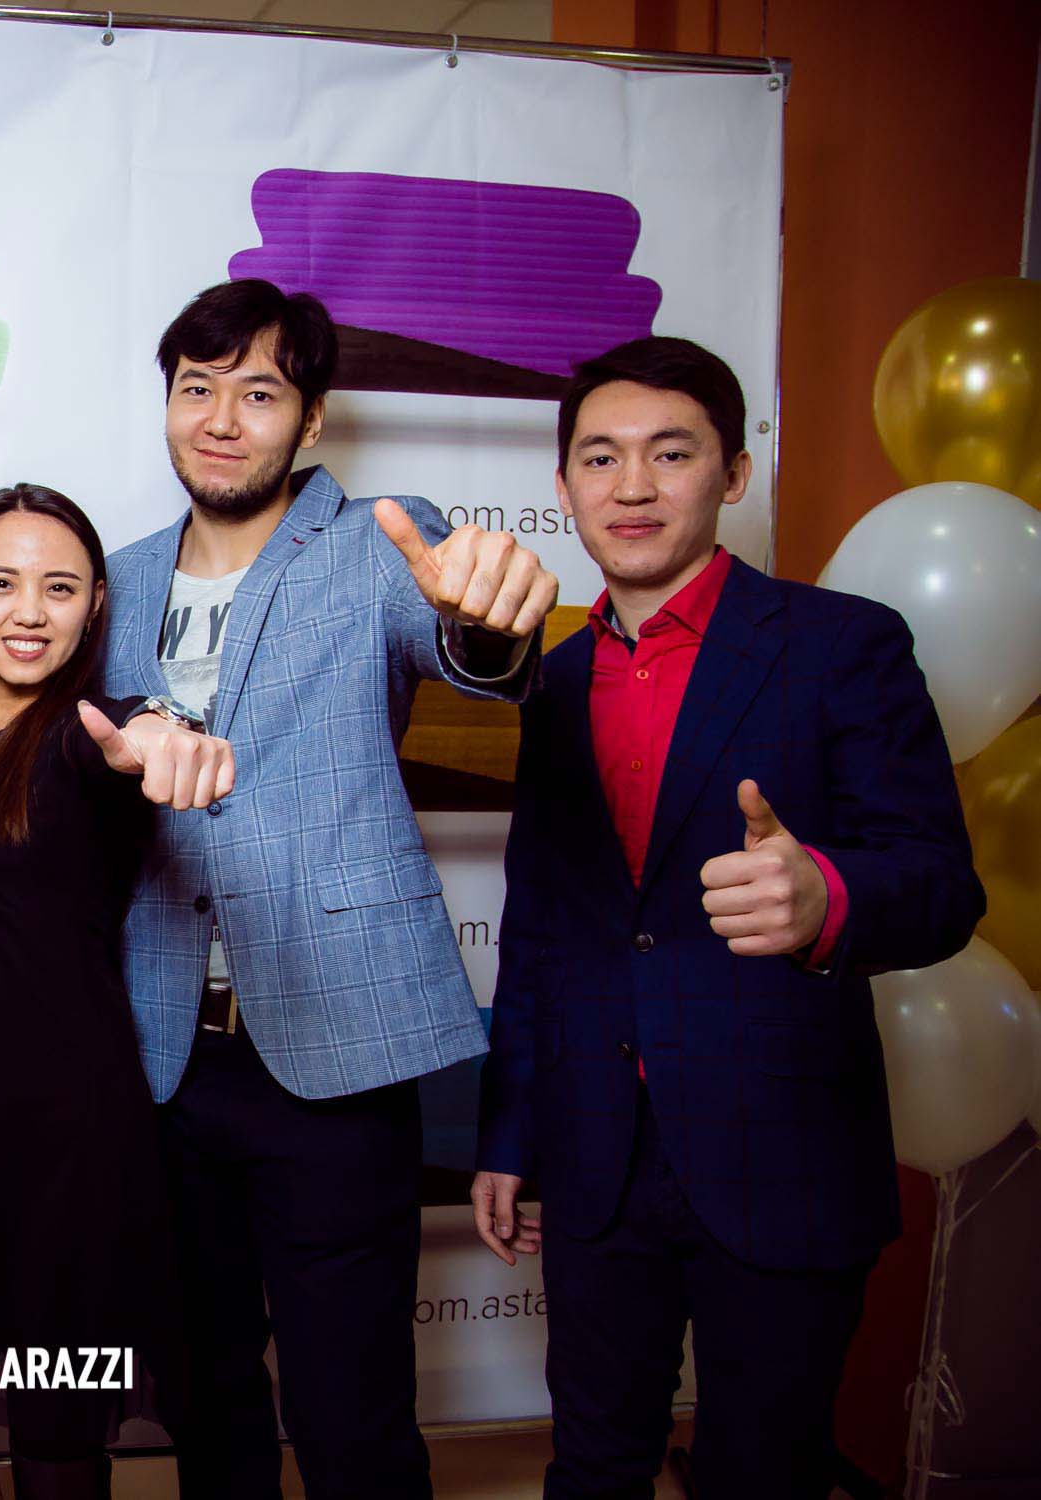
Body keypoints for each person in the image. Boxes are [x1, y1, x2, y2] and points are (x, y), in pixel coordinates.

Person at [473, 336, 985, 1498]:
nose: (633, 485)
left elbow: (943, 886)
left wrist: (826, 897)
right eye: (601, 457)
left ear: (734, 474)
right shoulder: (553, 680)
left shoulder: (842, 645)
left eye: (672, 453)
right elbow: (542, 924)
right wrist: (508, 1135)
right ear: (563, 487)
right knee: (592, 1465)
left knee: (764, 1473)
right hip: (597, 1150)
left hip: (782, 1149)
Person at [99, 279, 559, 1500]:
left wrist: (490, 625)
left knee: (352, 1414)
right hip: (163, 1056)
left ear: (309, 422)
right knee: (205, 1400)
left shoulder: (376, 544)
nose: (220, 418)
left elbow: (469, 641)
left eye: (258, 393)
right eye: (197, 388)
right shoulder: (114, 580)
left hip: (334, 1049)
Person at [0, 483, 236, 1500]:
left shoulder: (89, 736)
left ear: (95, 606)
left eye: (60, 587)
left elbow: (140, 736)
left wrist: (164, 733)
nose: (29, 611)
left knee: (55, 1445)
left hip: (61, 1163)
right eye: (2, 583)